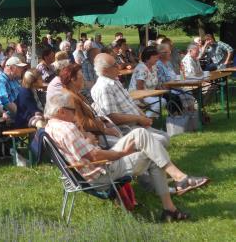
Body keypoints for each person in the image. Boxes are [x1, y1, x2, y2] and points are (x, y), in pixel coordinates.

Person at [45, 93, 209, 221]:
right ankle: (171, 206)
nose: (75, 114)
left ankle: (178, 179)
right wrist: (122, 153)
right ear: (61, 111)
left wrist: (88, 139)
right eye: (73, 111)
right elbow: (94, 155)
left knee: (140, 133)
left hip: (89, 171)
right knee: (151, 155)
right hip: (101, 174)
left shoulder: (51, 127)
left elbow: (86, 152)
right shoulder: (66, 128)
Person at [90, 53, 170, 147]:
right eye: (114, 65)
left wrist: (143, 116)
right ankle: (152, 160)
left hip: (136, 125)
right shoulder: (103, 87)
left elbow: (130, 103)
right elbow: (112, 117)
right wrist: (139, 119)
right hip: (127, 129)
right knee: (161, 140)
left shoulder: (114, 80)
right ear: (105, 70)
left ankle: (155, 159)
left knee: (165, 137)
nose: (118, 66)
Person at [60, 64, 121, 147]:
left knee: (121, 134)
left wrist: (103, 121)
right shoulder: (71, 98)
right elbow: (83, 123)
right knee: (124, 143)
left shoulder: (76, 94)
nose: (84, 79)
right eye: (81, 76)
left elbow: (89, 115)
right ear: (73, 79)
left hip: (97, 131)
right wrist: (104, 129)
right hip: (93, 137)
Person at [156, 43, 196, 117]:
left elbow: (173, 76)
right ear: (161, 54)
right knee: (181, 95)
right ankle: (181, 117)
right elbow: (162, 83)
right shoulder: (158, 65)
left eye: (169, 52)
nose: (170, 54)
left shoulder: (168, 63)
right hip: (166, 89)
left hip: (175, 86)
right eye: (167, 52)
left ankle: (191, 116)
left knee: (188, 93)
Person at [128, 46, 167, 118]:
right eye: (155, 57)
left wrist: (161, 89)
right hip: (139, 96)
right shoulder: (141, 68)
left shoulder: (154, 67)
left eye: (157, 57)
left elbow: (155, 83)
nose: (157, 59)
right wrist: (142, 101)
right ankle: (146, 119)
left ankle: (146, 120)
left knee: (164, 99)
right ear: (148, 57)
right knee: (162, 101)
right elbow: (139, 87)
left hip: (149, 94)